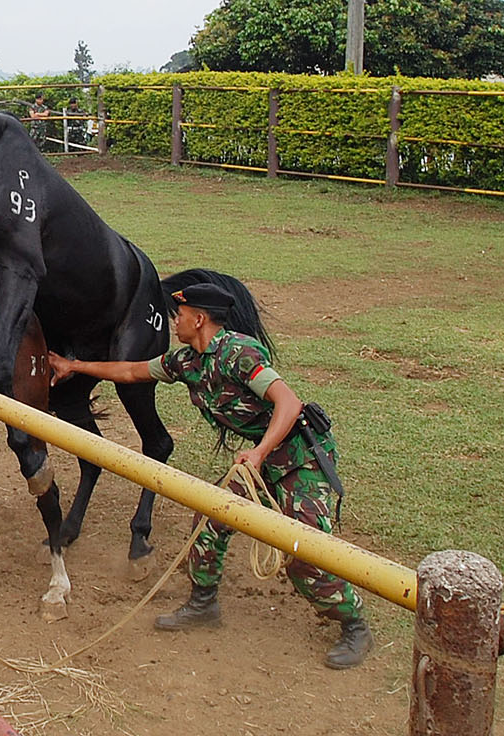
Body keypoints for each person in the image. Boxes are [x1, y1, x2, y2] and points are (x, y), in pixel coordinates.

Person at [46, 283, 372, 670]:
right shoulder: (187, 361)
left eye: (179, 315)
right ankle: (203, 605)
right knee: (208, 522)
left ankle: (354, 624)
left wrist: (259, 452)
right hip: (258, 462)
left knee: (304, 554)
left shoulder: (239, 352)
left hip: (298, 460)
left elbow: (289, 402)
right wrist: (75, 366)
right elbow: (132, 371)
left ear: (198, 319)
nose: (174, 321)